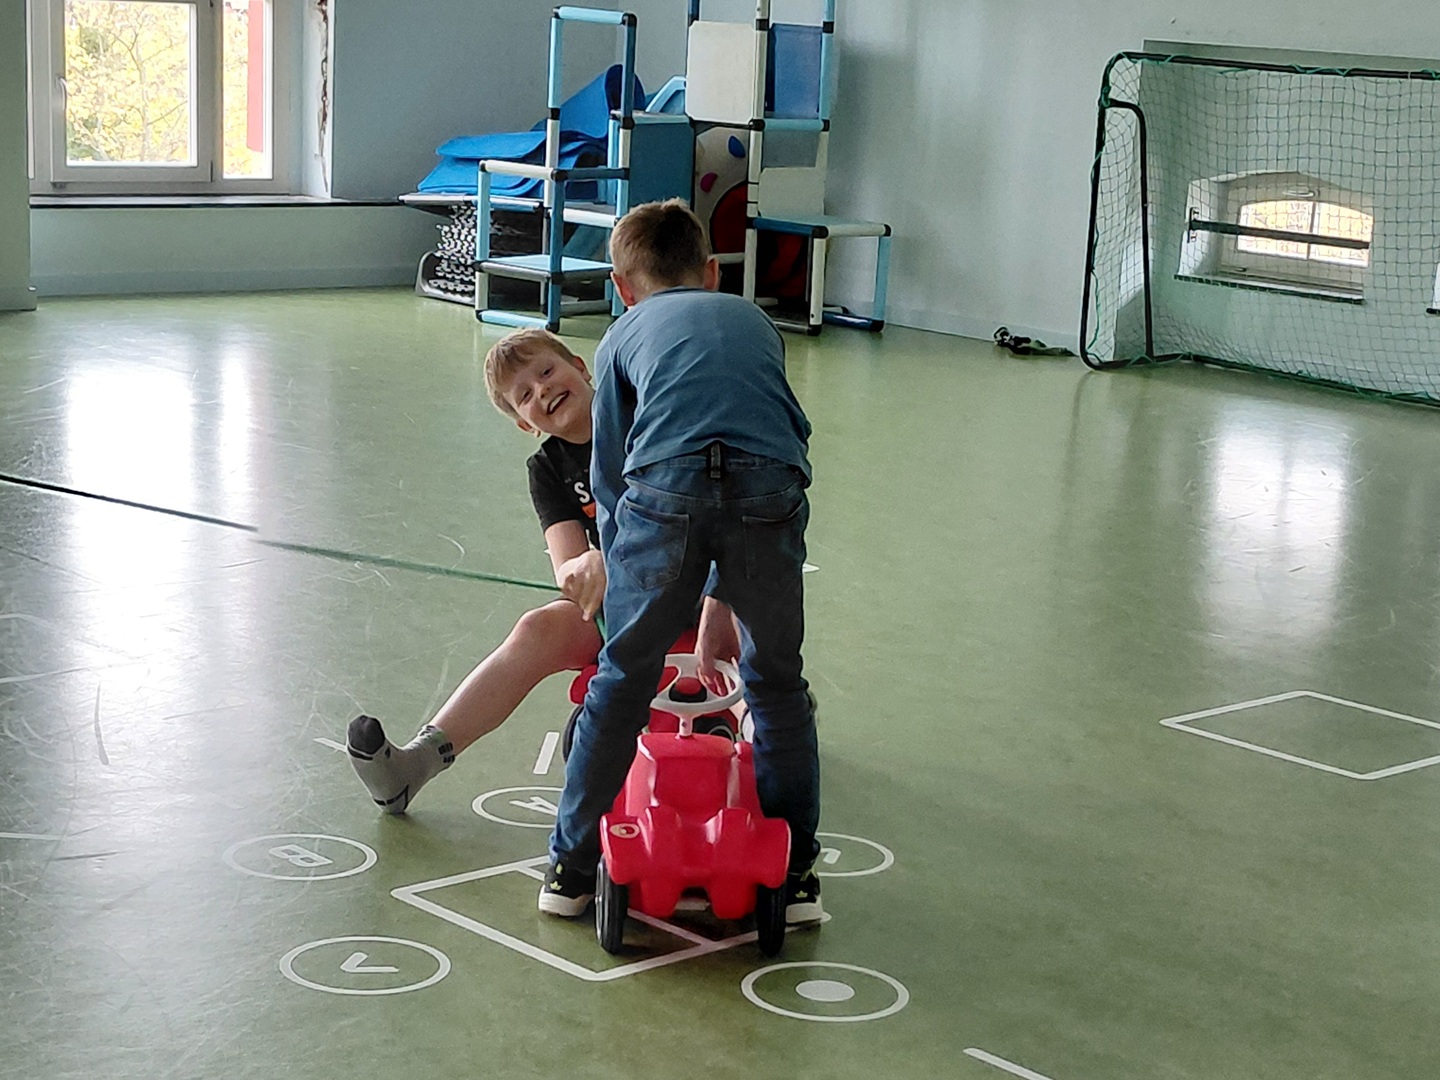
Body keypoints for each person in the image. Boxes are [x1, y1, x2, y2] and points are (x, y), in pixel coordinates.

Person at [540, 198, 822, 926]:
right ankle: (796, 879)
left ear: (622, 287)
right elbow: (783, 428)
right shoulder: (755, 322)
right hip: (771, 488)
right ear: (711, 272)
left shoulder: (620, 336)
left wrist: (624, 577)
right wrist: (724, 590)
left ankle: (570, 870)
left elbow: (610, 475)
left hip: (665, 491)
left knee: (622, 680)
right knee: (776, 686)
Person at [345, 329, 609, 812]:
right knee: (538, 628)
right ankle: (417, 764)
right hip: (624, 599)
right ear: (524, 423)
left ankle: (760, 756)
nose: (542, 390)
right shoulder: (547, 469)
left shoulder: (638, 417)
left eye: (547, 371)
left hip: (697, 586)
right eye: (524, 395)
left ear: (580, 365)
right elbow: (568, 566)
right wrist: (585, 564)